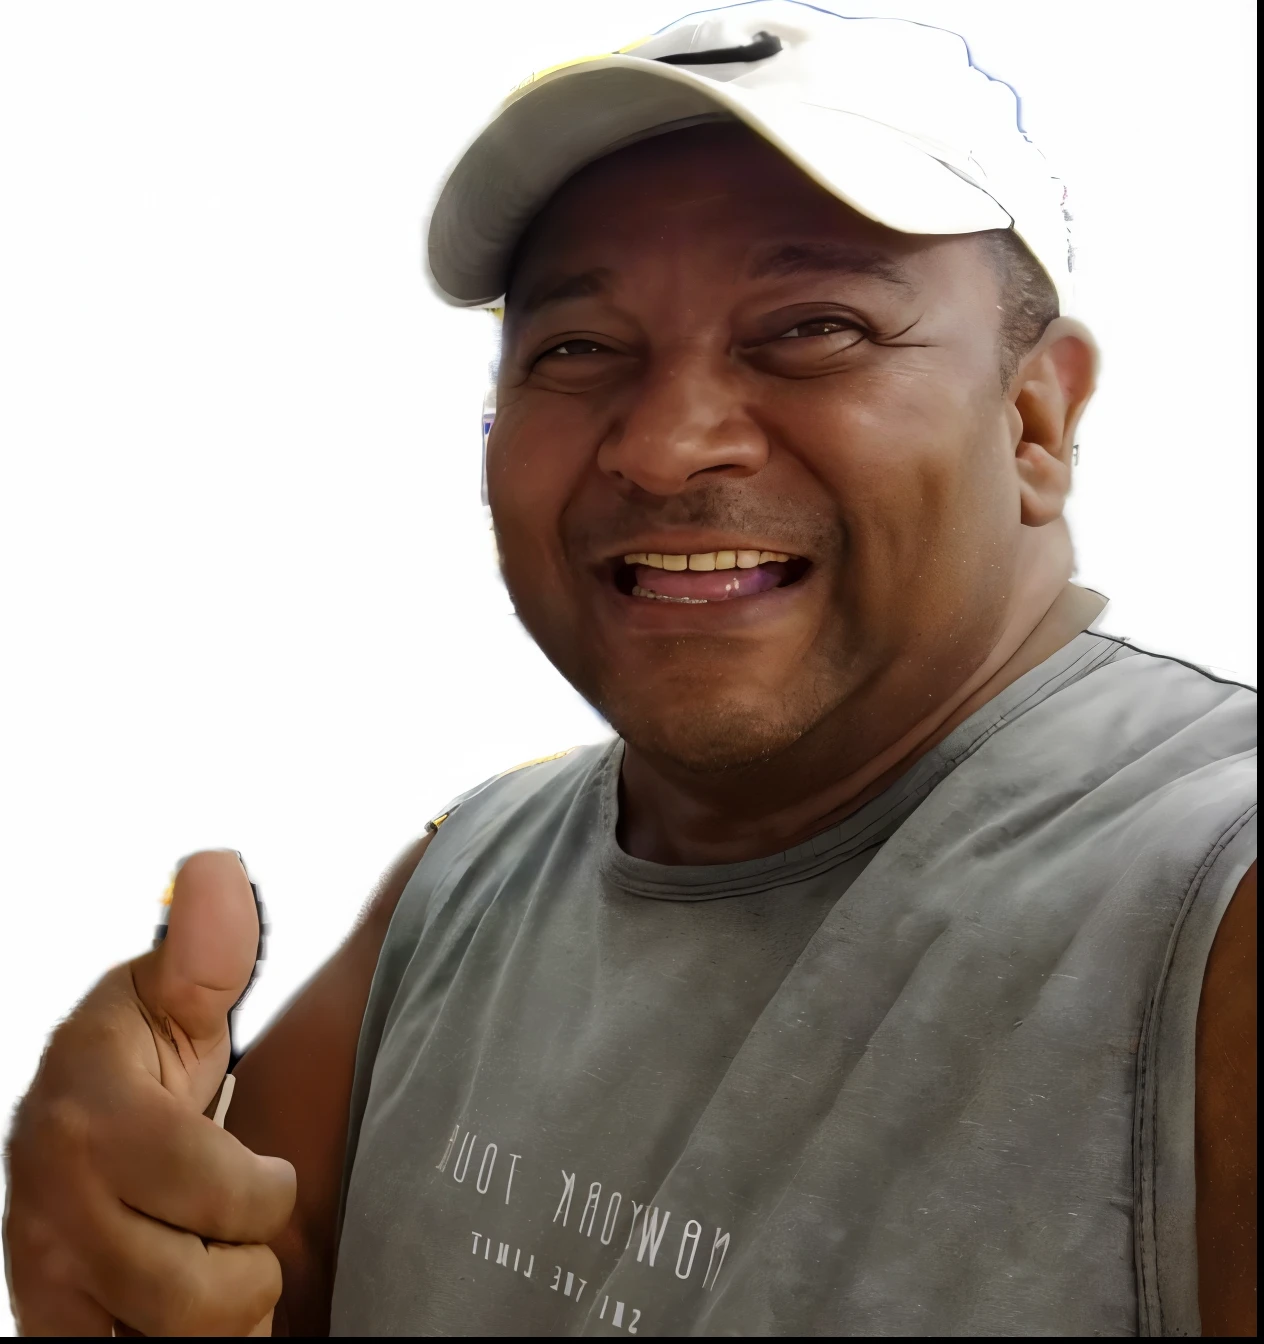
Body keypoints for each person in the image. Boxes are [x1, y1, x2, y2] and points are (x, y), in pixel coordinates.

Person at [4, 3, 1256, 1337]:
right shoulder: (471, 874)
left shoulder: (1208, 908)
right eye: (578, 350)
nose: (663, 447)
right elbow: (254, 1270)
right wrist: (114, 1212)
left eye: (814, 327)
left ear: (1034, 421)